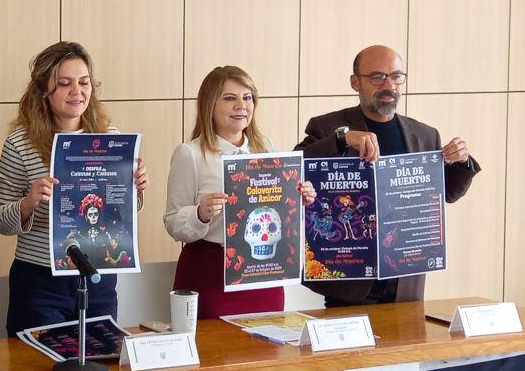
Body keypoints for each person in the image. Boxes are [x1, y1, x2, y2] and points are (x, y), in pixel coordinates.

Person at [295, 45, 479, 306]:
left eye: (396, 76)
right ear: (355, 82)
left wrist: (462, 161)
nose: (389, 85)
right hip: (350, 280)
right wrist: (342, 139)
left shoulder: (425, 135)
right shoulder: (328, 127)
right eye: (378, 77)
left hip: (405, 277)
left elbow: (447, 193)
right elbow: (295, 169)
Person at [0, 42, 148, 336]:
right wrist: (28, 202)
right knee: (37, 360)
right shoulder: (20, 143)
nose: (77, 91)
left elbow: (120, 216)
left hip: (98, 274)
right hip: (40, 280)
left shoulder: (110, 138)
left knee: (101, 357)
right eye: (64, 83)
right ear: (44, 90)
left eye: (84, 82)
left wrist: (134, 190)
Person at [163, 65, 316, 319]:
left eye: (247, 98)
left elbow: (277, 211)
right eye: (229, 98)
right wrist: (200, 214)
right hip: (210, 273)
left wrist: (301, 197)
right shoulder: (190, 154)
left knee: (267, 341)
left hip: (264, 274)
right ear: (209, 105)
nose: (241, 106)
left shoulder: (266, 147)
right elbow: (172, 222)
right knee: (215, 344)